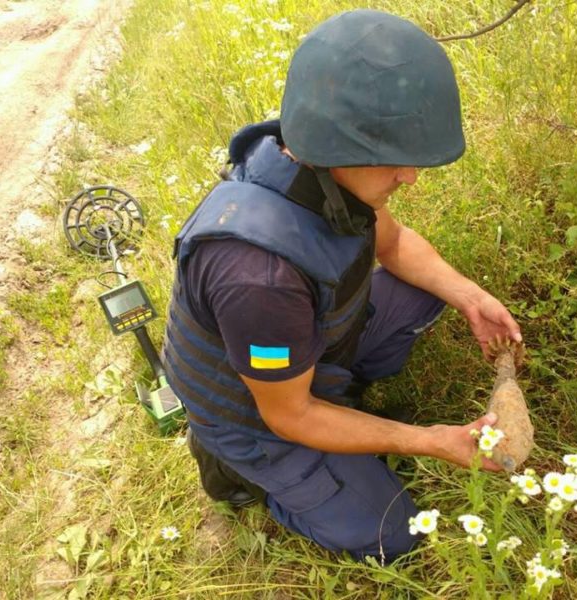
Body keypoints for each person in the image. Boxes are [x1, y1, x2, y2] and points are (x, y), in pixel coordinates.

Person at [163, 9, 523, 561]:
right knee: (394, 536)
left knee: (431, 289)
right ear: (339, 146)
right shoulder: (260, 276)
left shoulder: (319, 167)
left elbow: (396, 245)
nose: (410, 176)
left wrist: (472, 299)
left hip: (301, 349)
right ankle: (237, 468)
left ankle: (336, 391)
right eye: (394, 161)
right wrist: (426, 439)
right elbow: (290, 414)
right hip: (260, 413)